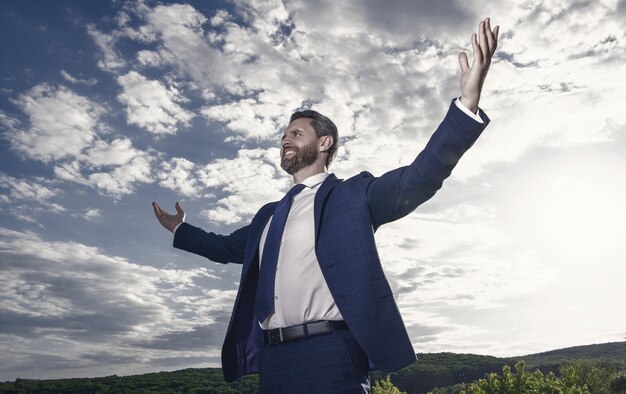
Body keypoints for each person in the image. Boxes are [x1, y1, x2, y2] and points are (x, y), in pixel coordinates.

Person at [153, 17, 499, 394]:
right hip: (273, 358)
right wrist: (179, 228)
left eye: (296, 134)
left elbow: (419, 177)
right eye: (283, 136)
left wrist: (466, 105)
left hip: (330, 353)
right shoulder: (268, 216)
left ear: (324, 143)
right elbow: (221, 248)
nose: (285, 141)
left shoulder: (353, 197)